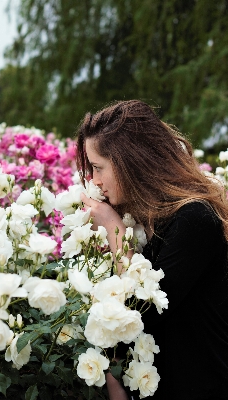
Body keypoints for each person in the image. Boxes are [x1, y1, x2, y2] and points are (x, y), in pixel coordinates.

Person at [76, 100, 228, 400]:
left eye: (98, 168)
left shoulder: (194, 218)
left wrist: (113, 228)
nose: (94, 181)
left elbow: (142, 310)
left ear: (130, 162)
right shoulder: (146, 218)